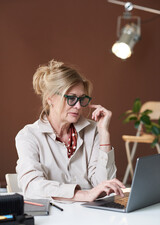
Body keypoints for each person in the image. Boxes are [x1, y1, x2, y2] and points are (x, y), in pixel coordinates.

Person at [15, 59, 125, 201]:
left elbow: (104, 186)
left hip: (91, 216)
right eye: (71, 98)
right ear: (50, 98)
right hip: (53, 217)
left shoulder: (93, 130)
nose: (79, 106)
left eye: (82, 99)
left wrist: (104, 134)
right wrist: (85, 195)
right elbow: (32, 186)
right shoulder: (28, 136)